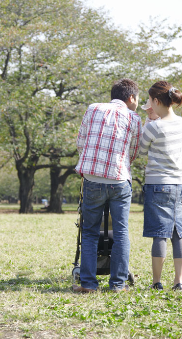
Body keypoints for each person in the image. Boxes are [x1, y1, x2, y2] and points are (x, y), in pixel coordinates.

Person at [73, 78, 142, 293]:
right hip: (120, 180)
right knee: (121, 231)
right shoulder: (134, 118)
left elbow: (80, 142)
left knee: (90, 232)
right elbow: (134, 152)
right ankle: (118, 284)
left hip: (93, 179)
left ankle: (88, 284)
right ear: (131, 98)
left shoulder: (92, 109)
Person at [139, 81, 182, 291]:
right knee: (179, 233)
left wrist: (146, 123)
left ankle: (156, 282)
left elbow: (141, 151)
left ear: (157, 101)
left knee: (160, 234)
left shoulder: (153, 126)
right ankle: (179, 281)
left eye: (150, 101)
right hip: (180, 184)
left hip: (158, 184)